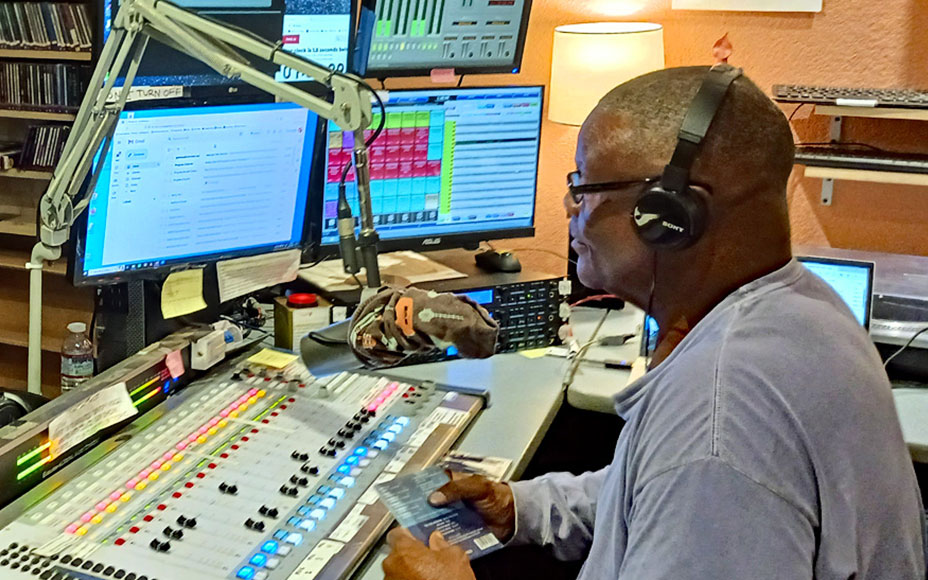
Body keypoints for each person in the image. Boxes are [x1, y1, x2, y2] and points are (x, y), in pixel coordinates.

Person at [381, 65, 927, 579]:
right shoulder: (802, 307)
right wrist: (520, 507)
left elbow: (702, 478)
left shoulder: (721, 416)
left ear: (672, 214)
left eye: (585, 186)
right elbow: (658, 494)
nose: (571, 208)